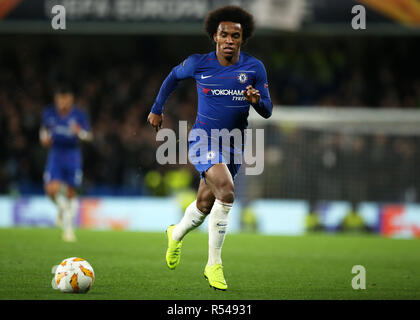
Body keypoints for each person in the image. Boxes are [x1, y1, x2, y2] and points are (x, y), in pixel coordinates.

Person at [147, 5, 273, 291]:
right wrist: (157, 109)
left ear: (243, 39)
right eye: (224, 34)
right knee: (227, 192)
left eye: (236, 36)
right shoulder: (198, 63)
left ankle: (175, 234)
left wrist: (256, 101)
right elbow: (172, 78)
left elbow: (267, 110)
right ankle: (214, 263)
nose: (229, 40)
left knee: (205, 204)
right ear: (214, 37)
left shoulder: (254, 68)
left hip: (234, 145)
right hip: (203, 139)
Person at [40, 84, 92, 242]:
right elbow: (43, 131)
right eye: (60, 99)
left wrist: (80, 133)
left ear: (71, 99)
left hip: (73, 155)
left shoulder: (79, 115)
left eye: (66, 99)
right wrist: (43, 139)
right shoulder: (49, 113)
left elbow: (88, 136)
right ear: (56, 99)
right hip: (55, 154)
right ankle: (62, 210)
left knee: (70, 193)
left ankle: (69, 231)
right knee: (50, 189)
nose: (63, 102)